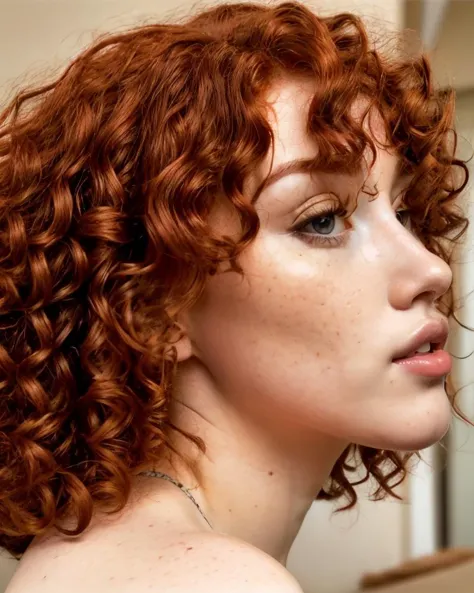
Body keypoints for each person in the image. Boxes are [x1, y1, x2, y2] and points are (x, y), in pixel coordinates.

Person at [0, 2, 468, 592]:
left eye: (402, 210)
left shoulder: (115, 554)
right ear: (152, 308)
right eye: (321, 220)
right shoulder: (217, 579)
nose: (431, 269)